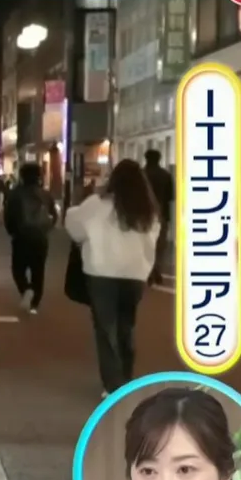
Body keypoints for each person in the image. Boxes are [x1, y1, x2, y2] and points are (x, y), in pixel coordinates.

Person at [65, 160, 160, 397]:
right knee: (126, 326)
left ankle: (113, 384)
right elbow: (153, 241)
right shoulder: (147, 210)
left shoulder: (97, 205)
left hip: (102, 273)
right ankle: (125, 378)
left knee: (105, 328)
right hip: (135, 274)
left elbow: (74, 227)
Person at [3, 163, 57, 314]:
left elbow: (8, 216)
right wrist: (46, 229)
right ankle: (34, 304)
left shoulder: (15, 194)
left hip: (21, 237)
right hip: (41, 238)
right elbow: (53, 215)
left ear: (22, 176)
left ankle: (26, 289)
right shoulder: (45, 194)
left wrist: (13, 232)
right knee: (38, 271)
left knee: (18, 269)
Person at [143, 149, 174, 285]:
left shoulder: (141, 175)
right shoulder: (166, 175)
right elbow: (171, 197)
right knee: (160, 245)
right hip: (162, 215)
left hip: (143, 215)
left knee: (145, 244)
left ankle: (148, 271)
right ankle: (157, 269)